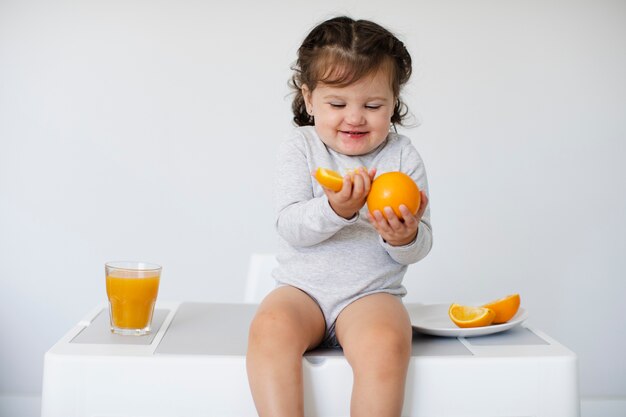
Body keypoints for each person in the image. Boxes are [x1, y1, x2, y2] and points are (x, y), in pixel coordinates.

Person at [246, 16, 433, 417]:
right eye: (337, 103)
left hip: (370, 294)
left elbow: (420, 247)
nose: (354, 117)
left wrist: (402, 237)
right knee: (269, 327)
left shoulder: (401, 156)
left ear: (393, 104)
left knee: (386, 344)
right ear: (309, 98)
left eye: (372, 105)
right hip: (302, 292)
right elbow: (290, 226)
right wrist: (337, 210)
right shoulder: (300, 147)